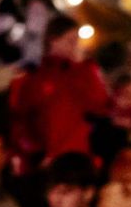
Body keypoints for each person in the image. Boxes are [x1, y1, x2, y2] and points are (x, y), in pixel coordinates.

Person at [8, 15, 110, 168]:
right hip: (43, 157)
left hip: (74, 155)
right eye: (70, 41)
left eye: (76, 42)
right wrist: (32, 152)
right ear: (53, 40)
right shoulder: (36, 76)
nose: (75, 46)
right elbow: (22, 115)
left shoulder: (81, 72)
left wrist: (84, 68)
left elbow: (100, 104)